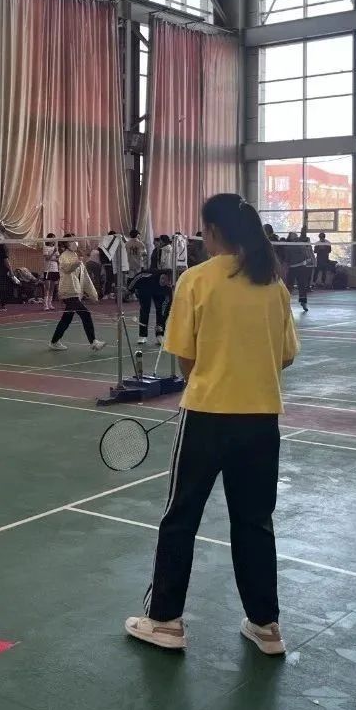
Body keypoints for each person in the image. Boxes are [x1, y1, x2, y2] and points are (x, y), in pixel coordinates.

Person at [125, 193, 299, 655]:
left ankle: (165, 621)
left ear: (214, 231)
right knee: (255, 522)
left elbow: (185, 356)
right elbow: (285, 356)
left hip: (205, 419)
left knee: (181, 518)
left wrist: (211, 379)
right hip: (261, 422)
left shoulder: (197, 280)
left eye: (204, 230)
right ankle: (266, 626)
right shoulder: (273, 285)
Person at [49, 235, 106, 352]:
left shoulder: (76, 256)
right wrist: (77, 262)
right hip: (68, 292)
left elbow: (85, 278)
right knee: (86, 314)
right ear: (66, 243)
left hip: (76, 293)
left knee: (66, 318)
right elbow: (67, 268)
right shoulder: (64, 256)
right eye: (71, 241)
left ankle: (54, 341)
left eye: (75, 240)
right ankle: (93, 342)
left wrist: (93, 294)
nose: (74, 243)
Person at [285, 232, 314, 313]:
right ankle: (286, 302)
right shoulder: (288, 247)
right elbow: (287, 259)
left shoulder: (300, 245)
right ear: (290, 238)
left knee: (302, 286)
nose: (295, 238)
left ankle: (303, 302)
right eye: (293, 237)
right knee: (289, 286)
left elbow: (306, 255)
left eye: (296, 236)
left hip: (301, 267)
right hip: (292, 268)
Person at [43, 234, 60, 311]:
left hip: (55, 269)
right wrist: (53, 253)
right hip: (47, 269)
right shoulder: (46, 247)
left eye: (54, 239)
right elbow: (47, 258)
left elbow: (58, 259)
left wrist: (54, 258)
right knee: (47, 287)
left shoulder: (55, 248)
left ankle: (50, 303)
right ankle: (45, 304)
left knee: (52, 287)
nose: (53, 240)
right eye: (52, 238)